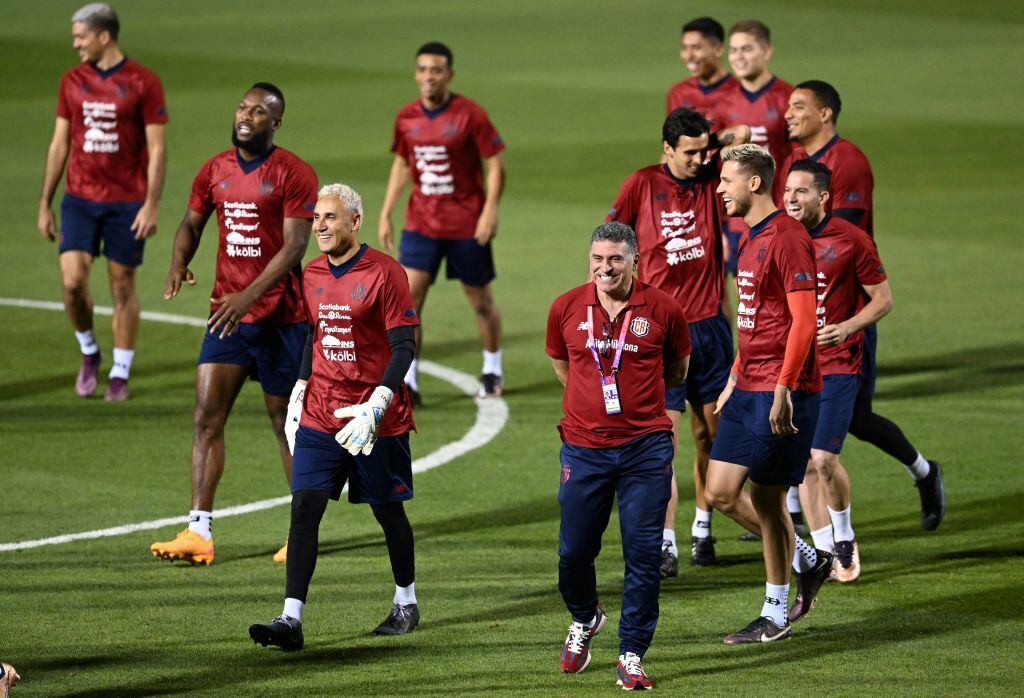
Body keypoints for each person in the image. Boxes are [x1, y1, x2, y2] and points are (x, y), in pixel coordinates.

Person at [150, 83, 318, 565]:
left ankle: (301, 532)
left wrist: (248, 295)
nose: (247, 115)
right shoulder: (215, 169)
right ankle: (198, 531)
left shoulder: (294, 173)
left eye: (260, 111)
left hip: (283, 320)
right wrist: (179, 260)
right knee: (206, 417)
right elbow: (190, 222)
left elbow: (294, 248)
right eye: (243, 107)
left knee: (287, 424)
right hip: (228, 319)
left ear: (276, 122)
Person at [249, 183, 420, 650]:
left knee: (388, 511)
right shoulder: (311, 274)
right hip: (322, 413)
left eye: (330, 218)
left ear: (355, 223)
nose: (320, 226)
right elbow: (314, 334)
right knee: (304, 507)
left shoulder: (386, 273)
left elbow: (405, 345)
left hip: (372, 420)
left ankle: (406, 601)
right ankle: (290, 619)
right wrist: (300, 390)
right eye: (317, 218)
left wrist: (379, 402)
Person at [780, 81, 945, 529]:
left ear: (826, 113)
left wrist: (845, 321)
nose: (788, 113)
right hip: (811, 323)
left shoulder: (846, 161)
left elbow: (840, 243)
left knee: (852, 422)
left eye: (799, 106)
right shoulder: (798, 167)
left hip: (844, 319)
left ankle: (923, 473)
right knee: (826, 422)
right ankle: (797, 514)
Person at [547, 222, 691, 689]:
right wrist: (590, 404)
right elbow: (562, 363)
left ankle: (631, 653)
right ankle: (586, 617)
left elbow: (677, 369)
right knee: (573, 554)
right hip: (584, 449)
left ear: (635, 261)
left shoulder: (664, 309)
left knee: (643, 556)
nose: (604, 268)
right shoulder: (566, 307)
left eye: (614, 260)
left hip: (644, 451)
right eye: (597, 259)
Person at [607, 109, 748, 574]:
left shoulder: (711, 179)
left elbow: (743, 136)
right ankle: (664, 542)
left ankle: (702, 528)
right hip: (658, 332)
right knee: (661, 441)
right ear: (666, 149)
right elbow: (611, 240)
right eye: (687, 151)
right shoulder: (642, 184)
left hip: (709, 328)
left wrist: (713, 145)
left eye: (702, 150)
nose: (697, 159)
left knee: (710, 434)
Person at [705, 144, 833, 644]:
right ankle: (807, 557)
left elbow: (803, 320)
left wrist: (783, 387)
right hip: (748, 383)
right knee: (719, 492)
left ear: (754, 183)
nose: (719, 188)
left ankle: (776, 611)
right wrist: (736, 373)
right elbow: (755, 316)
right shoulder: (748, 237)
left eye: (726, 180)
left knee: (767, 495)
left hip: (784, 389)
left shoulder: (788, 237)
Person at [37, 2, 167, 401]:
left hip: (126, 203)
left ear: (103, 36)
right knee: (73, 283)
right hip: (79, 198)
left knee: (122, 286)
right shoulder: (71, 81)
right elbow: (60, 143)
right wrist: (46, 201)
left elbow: (157, 149)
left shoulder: (143, 82)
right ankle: (90, 351)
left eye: (81, 36)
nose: (75, 43)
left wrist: (151, 204)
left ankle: (120, 373)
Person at [378, 41, 506, 403]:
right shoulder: (406, 118)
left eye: (436, 70)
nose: (428, 76)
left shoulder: (470, 115)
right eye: (422, 70)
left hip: (467, 223)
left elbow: (495, 163)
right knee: (409, 301)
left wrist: (490, 209)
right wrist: (387, 210)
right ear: (416, 74)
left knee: (479, 300)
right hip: (422, 224)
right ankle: (411, 380)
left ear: (449, 75)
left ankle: (492, 368)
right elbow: (402, 163)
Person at [784, 160, 893, 581]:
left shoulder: (851, 240)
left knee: (824, 458)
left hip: (840, 365)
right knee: (803, 467)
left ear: (824, 197)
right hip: (794, 367)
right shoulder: (779, 237)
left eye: (802, 191)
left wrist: (846, 328)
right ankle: (826, 553)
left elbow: (882, 299)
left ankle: (844, 538)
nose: (792, 198)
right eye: (788, 191)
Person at [665, 17, 738, 127]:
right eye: (684, 48)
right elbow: (674, 140)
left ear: (718, 49)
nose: (688, 56)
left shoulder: (739, 93)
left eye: (696, 47)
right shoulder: (678, 93)